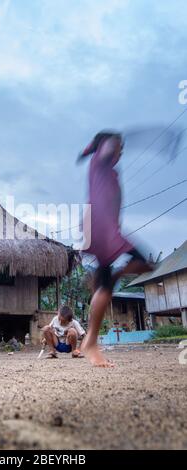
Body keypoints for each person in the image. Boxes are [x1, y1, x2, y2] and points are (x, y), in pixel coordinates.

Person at [78, 131, 153, 367]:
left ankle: (90, 343)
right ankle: (90, 343)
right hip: (100, 226)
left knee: (107, 282)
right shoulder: (100, 161)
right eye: (119, 147)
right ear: (106, 146)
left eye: (122, 149)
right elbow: (105, 148)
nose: (121, 152)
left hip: (104, 226)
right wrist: (111, 142)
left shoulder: (109, 171)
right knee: (142, 263)